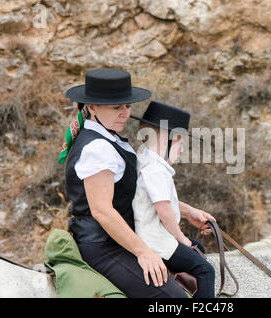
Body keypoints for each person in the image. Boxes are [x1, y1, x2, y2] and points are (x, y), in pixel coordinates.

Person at [60, 68, 215, 298]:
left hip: (121, 238)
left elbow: (138, 192)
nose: (125, 113)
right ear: (92, 107)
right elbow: (102, 211)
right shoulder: (97, 148)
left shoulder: (111, 138)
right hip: (103, 246)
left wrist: (188, 211)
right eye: (116, 107)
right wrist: (144, 252)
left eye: (127, 106)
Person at [131, 101, 216, 298]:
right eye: (180, 142)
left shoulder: (144, 159)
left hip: (152, 235)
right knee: (206, 270)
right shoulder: (156, 170)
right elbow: (164, 211)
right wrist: (181, 238)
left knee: (199, 249)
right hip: (155, 241)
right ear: (166, 139)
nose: (181, 149)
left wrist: (189, 214)